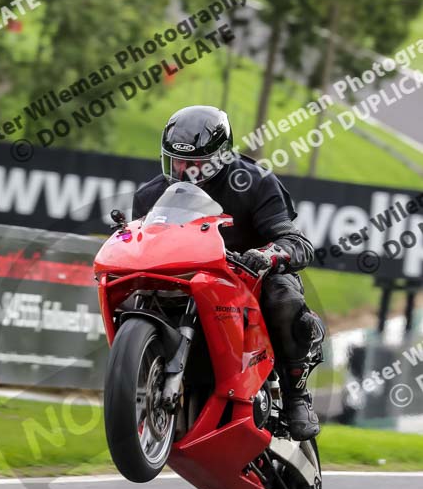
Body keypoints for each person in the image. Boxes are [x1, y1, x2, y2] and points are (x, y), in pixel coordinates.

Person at [132, 105, 324, 441]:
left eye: (194, 163)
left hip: (248, 282)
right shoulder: (149, 196)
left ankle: (296, 395)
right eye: (176, 162)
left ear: (221, 157)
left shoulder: (255, 182)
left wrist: (269, 255)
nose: (183, 170)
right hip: (185, 283)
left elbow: (296, 241)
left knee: (284, 295)